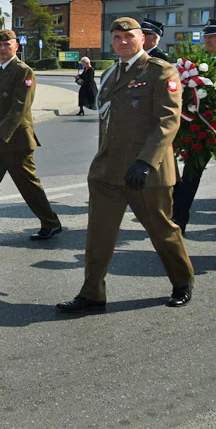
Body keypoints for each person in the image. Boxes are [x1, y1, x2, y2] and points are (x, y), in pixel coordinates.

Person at [57, 17, 194, 313]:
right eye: (117, 37)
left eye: (128, 36)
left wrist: (145, 162)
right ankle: (92, 292)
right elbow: (107, 122)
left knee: (161, 230)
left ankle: (182, 282)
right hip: (108, 170)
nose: (122, 42)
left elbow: (167, 121)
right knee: (98, 235)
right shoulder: (109, 73)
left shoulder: (160, 71)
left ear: (142, 39)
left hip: (147, 172)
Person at [0, 29, 62, 241]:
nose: (2, 49)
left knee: (30, 188)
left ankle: (51, 222)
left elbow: (19, 108)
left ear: (16, 46)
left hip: (15, 142)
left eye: (6, 45)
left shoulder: (23, 71)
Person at [172, 20, 216, 233]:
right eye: (206, 36)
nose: (208, 40)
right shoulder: (197, 63)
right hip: (201, 129)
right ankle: (178, 221)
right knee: (191, 172)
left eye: (213, 36)